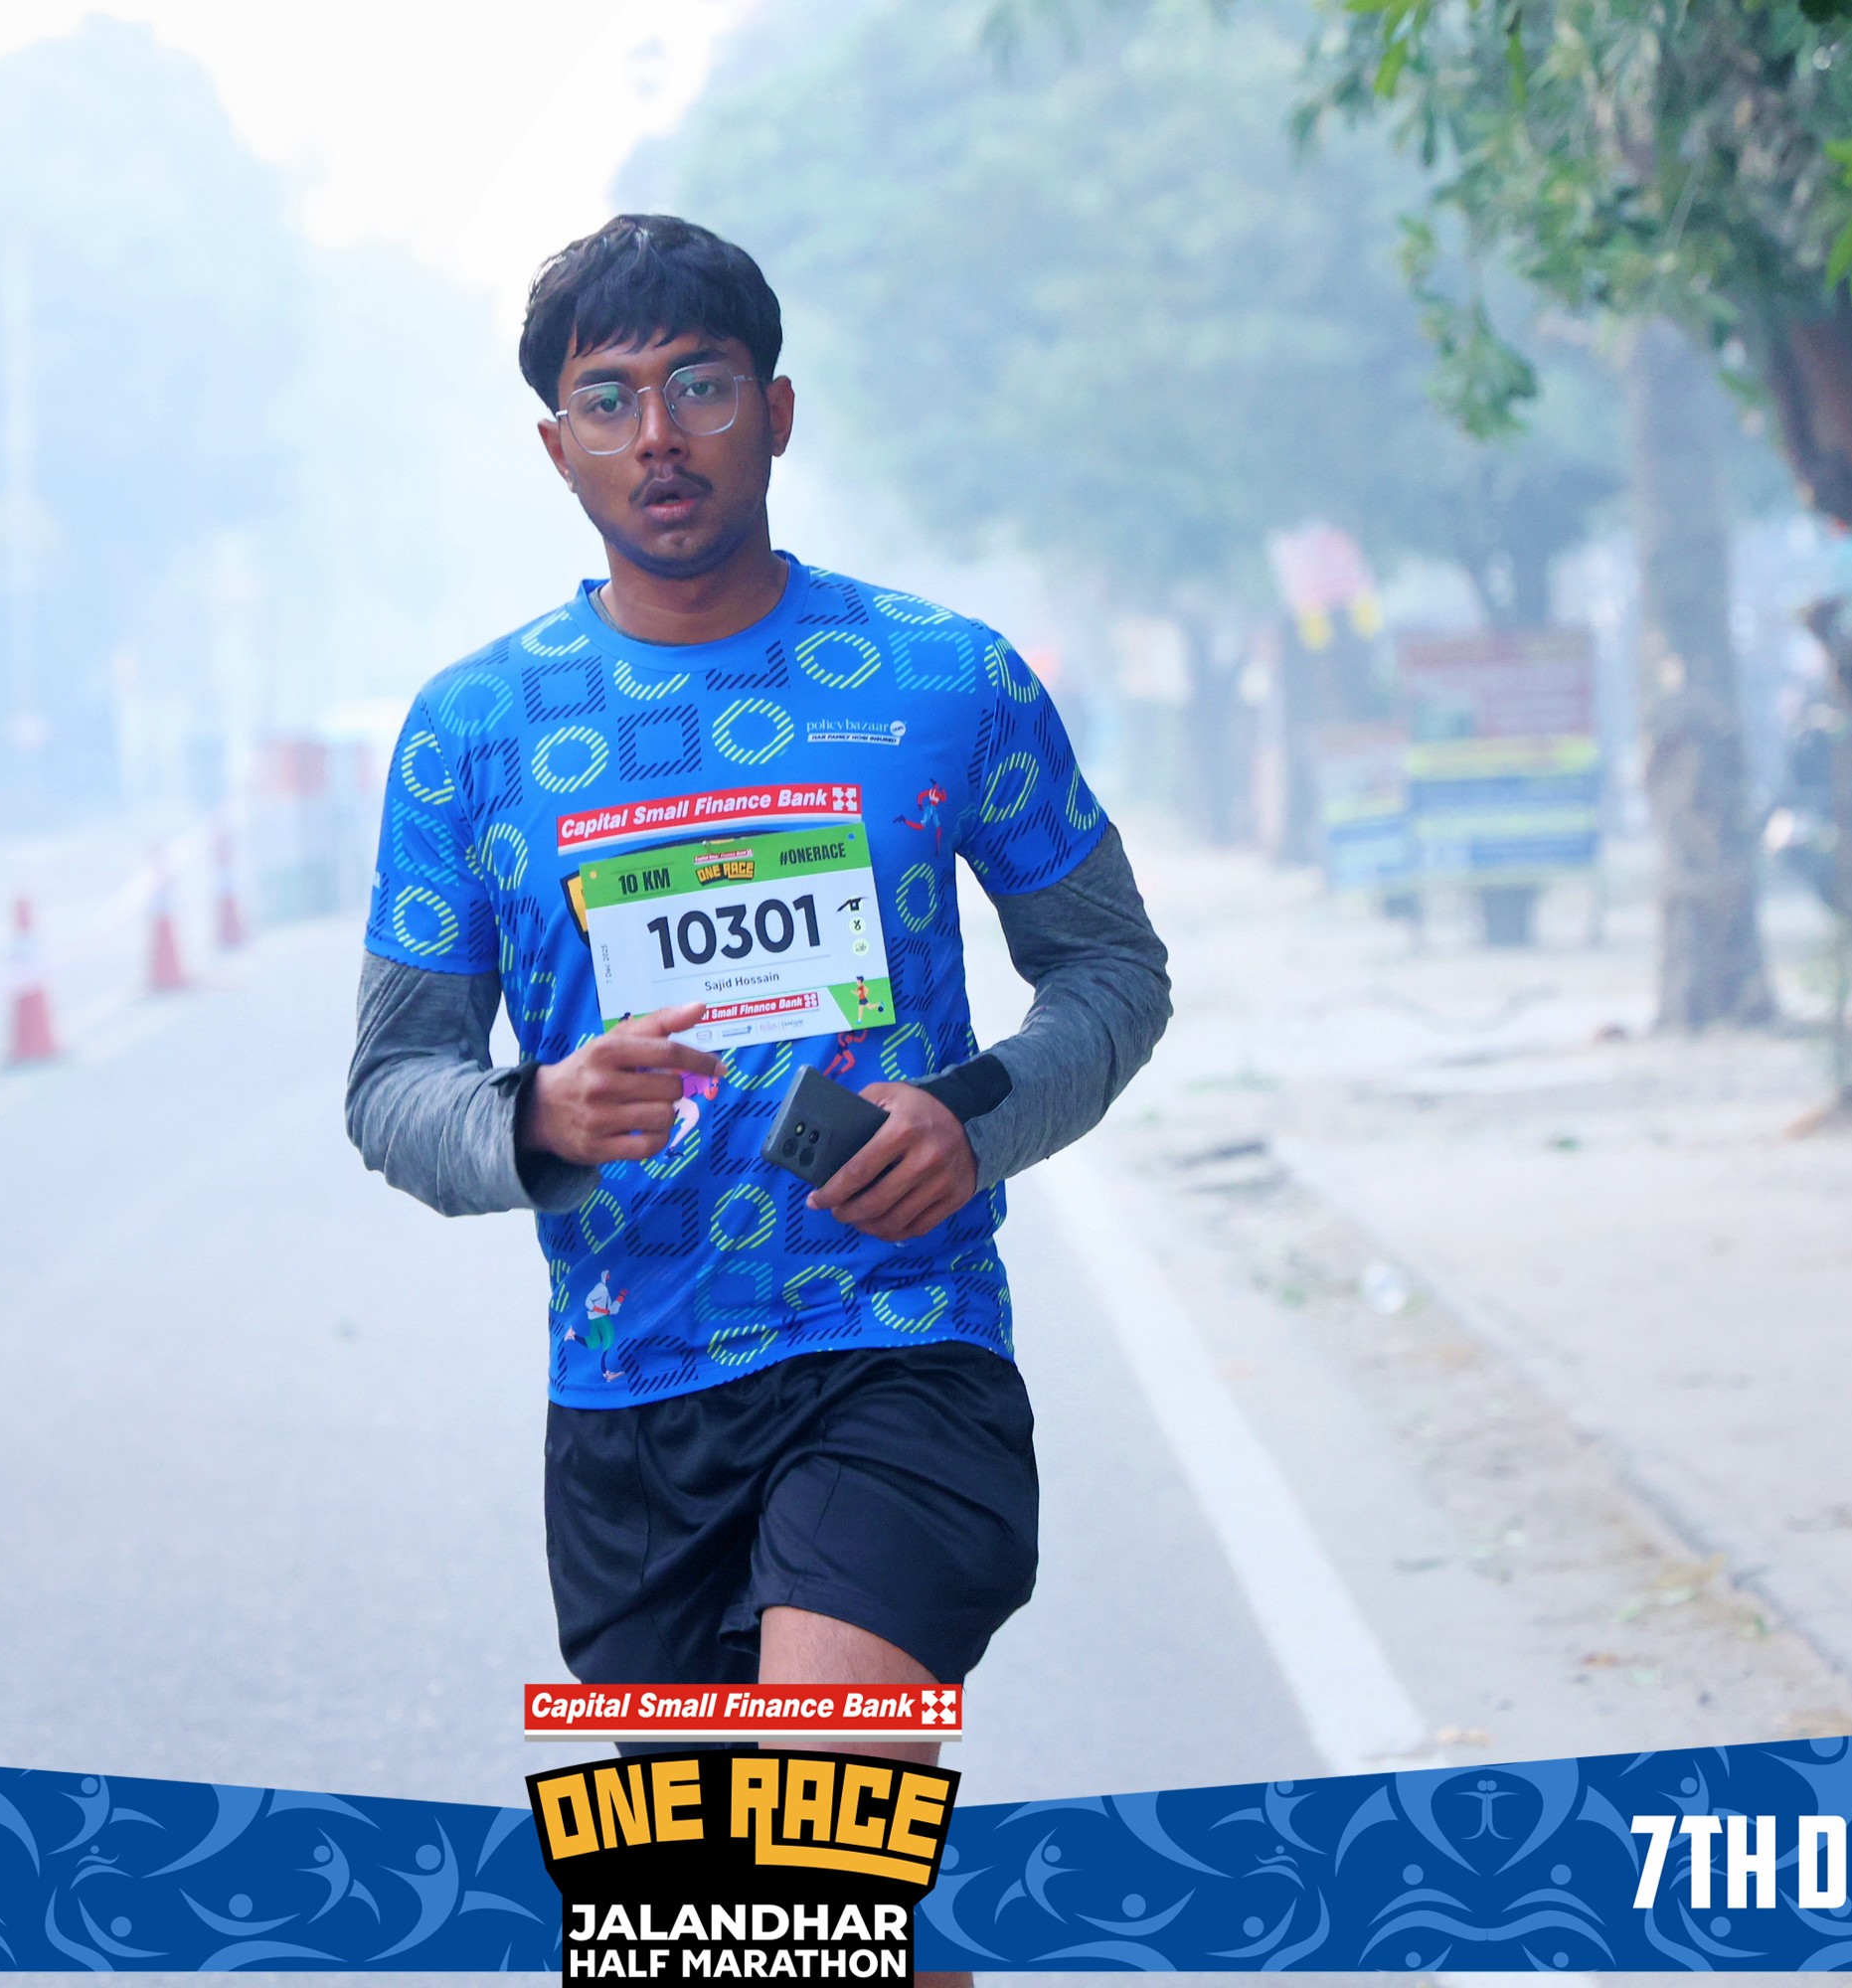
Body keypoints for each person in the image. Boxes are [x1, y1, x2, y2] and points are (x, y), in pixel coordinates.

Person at [345, 215, 1169, 1817]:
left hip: (896, 1347)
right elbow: (392, 1087)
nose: (658, 436)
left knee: (814, 1818)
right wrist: (533, 1116)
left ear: (775, 412)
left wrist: (977, 1119)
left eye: (701, 386)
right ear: (557, 448)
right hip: (630, 1407)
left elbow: (1114, 974)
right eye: (608, 400)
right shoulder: (472, 732)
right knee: (747, 1905)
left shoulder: (947, 678)